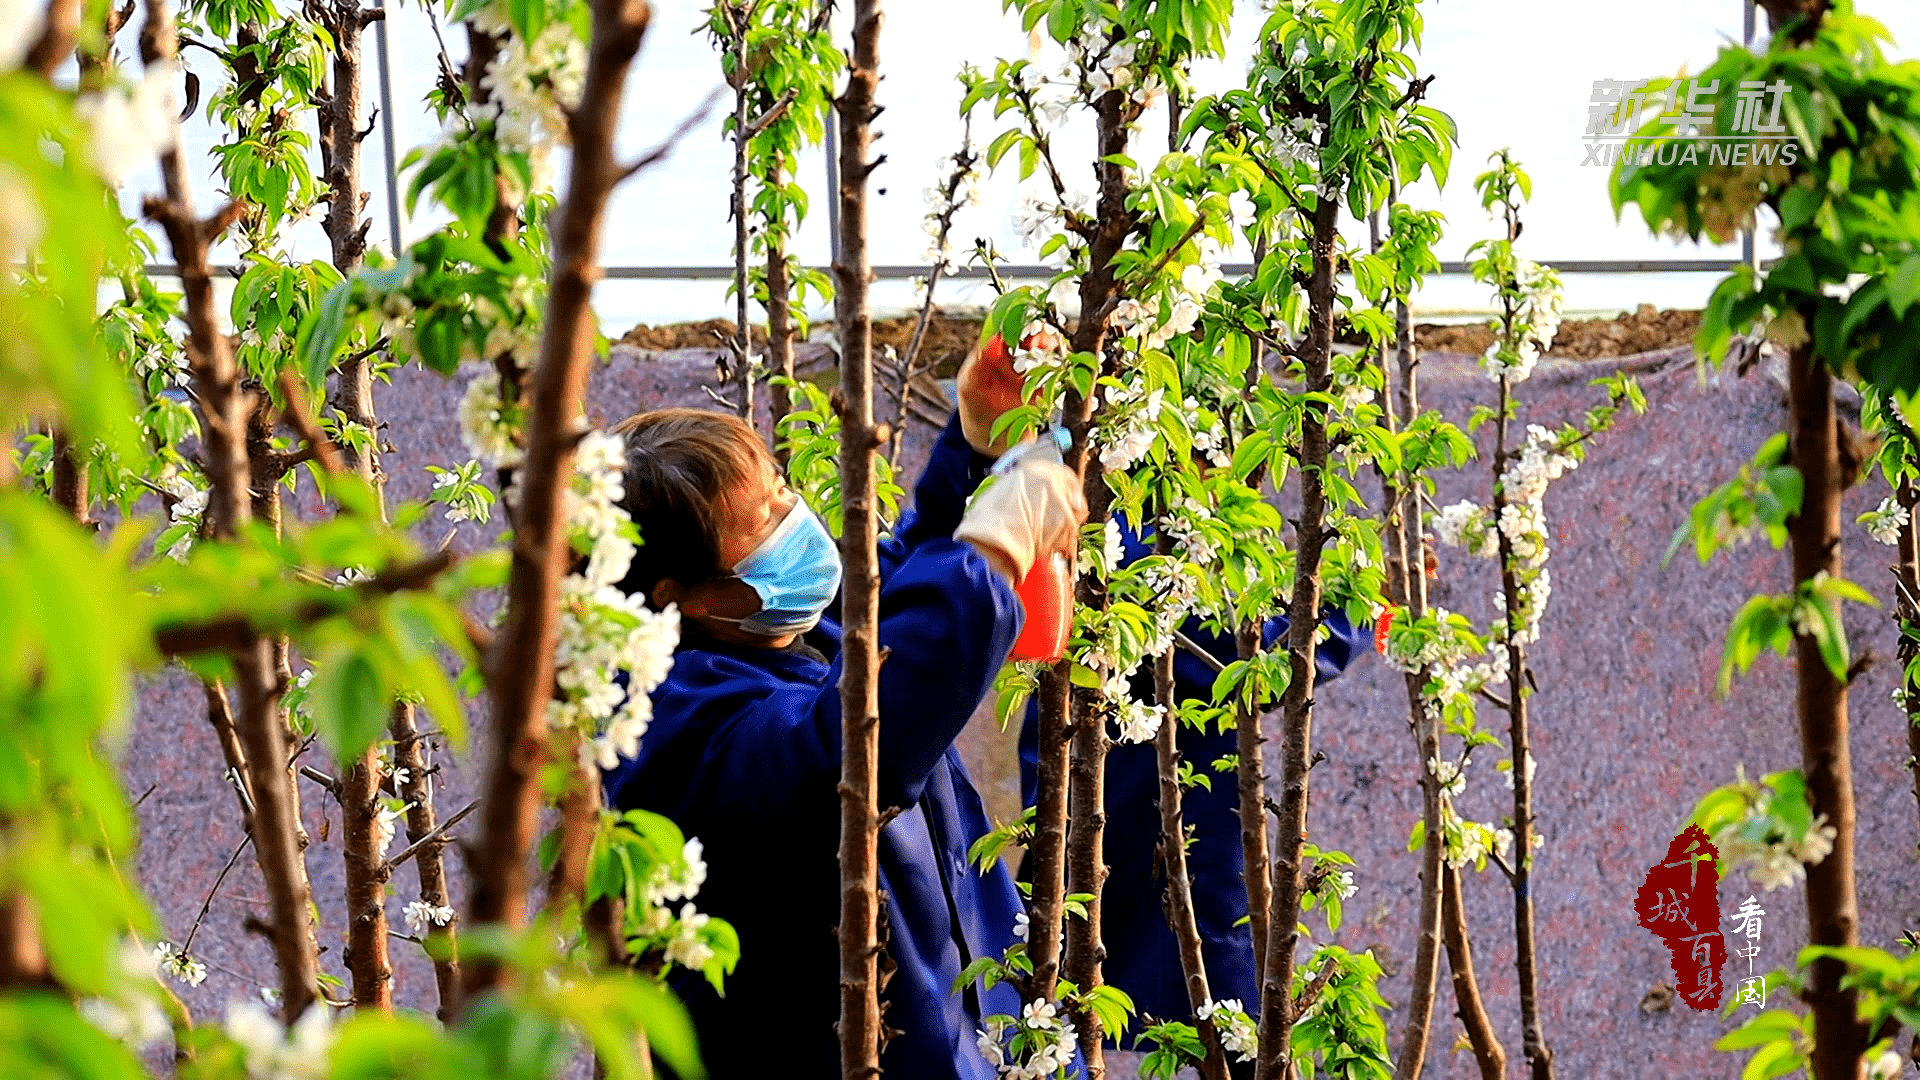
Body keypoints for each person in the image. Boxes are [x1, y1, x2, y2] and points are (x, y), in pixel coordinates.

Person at [600, 360, 1086, 1078]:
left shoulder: (771, 626)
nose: (793, 520)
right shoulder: (666, 729)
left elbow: (895, 589)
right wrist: (995, 549)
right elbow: (847, 745)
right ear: (683, 597)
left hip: (976, 1017)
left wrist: (975, 442)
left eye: (782, 492)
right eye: (762, 521)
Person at [1017, 496, 1366, 1051]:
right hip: (1140, 815)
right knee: (1198, 1010)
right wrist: (1359, 607)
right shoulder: (1129, 532)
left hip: (1128, 812)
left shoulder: (1119, 513)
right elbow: (1256, 658)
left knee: (1081, 999)